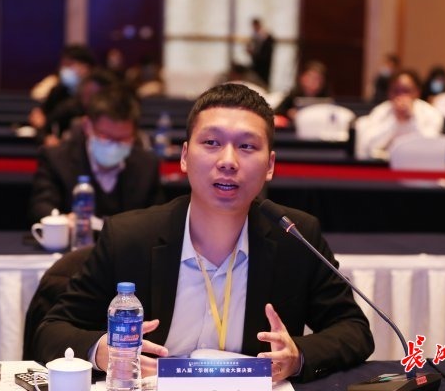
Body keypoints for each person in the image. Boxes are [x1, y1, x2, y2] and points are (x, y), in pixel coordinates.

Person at [32, 83, 374, 383]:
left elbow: (354, 330)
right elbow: (51, 330)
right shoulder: (129, 237)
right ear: (184, 156)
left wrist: (297, 356)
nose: (228, 161)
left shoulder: (294, 237)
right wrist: (103, 351)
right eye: (211, 142)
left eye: (246, 146)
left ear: (270, 165)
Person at [28, 89, 164, 224]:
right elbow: (41, 207)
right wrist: (62, 220)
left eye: (122, 139)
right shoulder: (56, 158)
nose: (114, 147)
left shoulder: (147, 165)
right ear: (87, 126)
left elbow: (158, 218)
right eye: (106, 137)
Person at [356, 69, 444, 160]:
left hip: (419, 162)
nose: (401, 96)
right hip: (384, 163)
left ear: (417, 92)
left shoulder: (432, 113)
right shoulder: (381, 111)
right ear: (389, 92)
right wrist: (394, 121)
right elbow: (367, 145)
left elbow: (430, 146)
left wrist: (412, 117)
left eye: (406, 91)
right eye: (396, 91)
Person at [39, 68, 119, 147]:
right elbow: (44, 128)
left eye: (92, 95)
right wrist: (47, 138)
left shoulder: (114, 115)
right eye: (86, 93)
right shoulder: (70, 107)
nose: (88, 99)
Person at [28, 44, 97, 131]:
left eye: (69, 64)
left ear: (86, 67)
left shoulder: (98, 90)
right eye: (63, 65)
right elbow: (42, 116)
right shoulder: (58, 90)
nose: (65, 69)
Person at [247, 18, 275, 87]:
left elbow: (265, 52)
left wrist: (254, 53)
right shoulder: (255, 35)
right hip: (257, 62)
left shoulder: (265, 36)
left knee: (263, 80)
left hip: (263, 63)